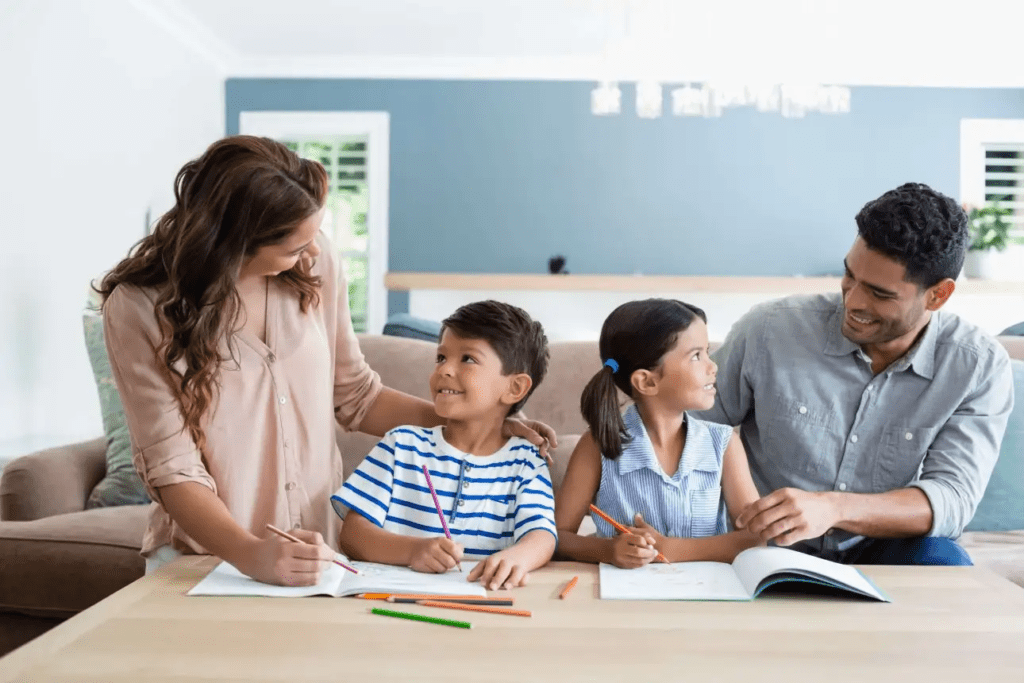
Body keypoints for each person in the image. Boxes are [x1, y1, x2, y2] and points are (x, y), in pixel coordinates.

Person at [99, 136, 555, 587]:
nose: (313, 252)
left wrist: (481, 424)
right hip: (206, 562)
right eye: (296, 247)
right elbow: (172, 466)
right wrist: (250, 554)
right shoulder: (139, 308)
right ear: (233, 243)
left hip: (317, 557)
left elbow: (356, 395)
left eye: (315, 235)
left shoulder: (314, 266)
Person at [697, 182, 1015, 566]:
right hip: (763, 546)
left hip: (883, 545)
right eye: (849, 276)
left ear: (938, 295)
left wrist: (832, 508)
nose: (854, 302)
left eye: (880, 294)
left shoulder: (977, 366)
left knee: (944, 558)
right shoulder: (769, 329)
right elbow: (685, 429)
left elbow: (951, 500)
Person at [333, 300, 557, 590]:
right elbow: (352, 534)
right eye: (441, 358)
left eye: (467, 359)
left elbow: (541, 534)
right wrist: (412, 551)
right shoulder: (401, 445)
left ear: (514, 388)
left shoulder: (526, 460)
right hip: (391, 605)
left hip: (483, 607)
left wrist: (518, 558)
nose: (445, 370)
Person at [555, 299, 762, 568]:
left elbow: (755, 539)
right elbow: (556, 536)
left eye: (707, 352)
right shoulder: (598, 445)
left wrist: (671, 548)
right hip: (624, 599)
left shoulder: (724, 445)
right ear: (647, 381)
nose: (713, 367)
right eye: (697, 355)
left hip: (707, 598)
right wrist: (606, 550)